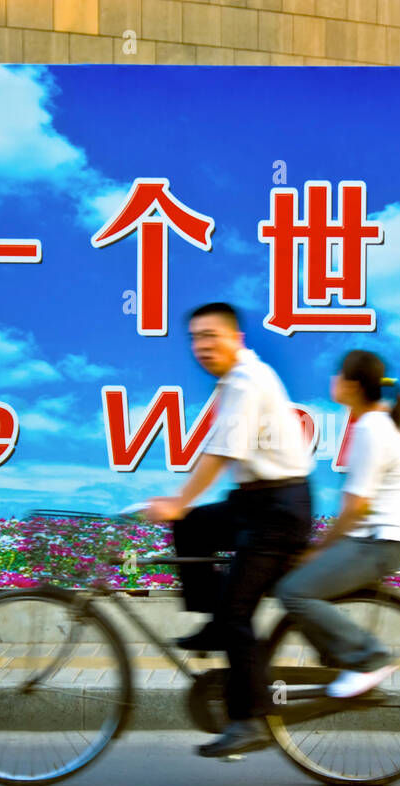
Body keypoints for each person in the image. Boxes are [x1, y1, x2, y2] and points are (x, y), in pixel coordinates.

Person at [144, 302, 313, 758]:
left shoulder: (244, 380)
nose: (202, 346)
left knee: (238, 612)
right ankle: (215, 623)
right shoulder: (236, 380)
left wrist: (177, 501)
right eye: (195, 338)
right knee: (194, 527)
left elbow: (221, 453)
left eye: (211, 336)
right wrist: (183, 508)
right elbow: (217, 453)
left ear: (235, 338)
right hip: (255, 501)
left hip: (278, 510)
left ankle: (249, 720)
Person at [274, 350, 400, 699]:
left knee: (293, 591)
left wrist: (319, 550)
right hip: (380, 539)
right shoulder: (377, 424)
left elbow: (356, 507)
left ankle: (367, 658)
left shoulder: (371, 429)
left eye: (338, 374)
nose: (333, 380)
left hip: (380, 542)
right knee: (294, 583)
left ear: (353, 386)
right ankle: (344, 660)